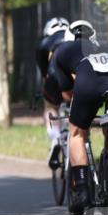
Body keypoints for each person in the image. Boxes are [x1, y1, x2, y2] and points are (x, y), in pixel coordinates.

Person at [47, 20, 108, 215]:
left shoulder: (62, 50)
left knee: (77, 134)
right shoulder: (106, 45)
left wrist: (83, 108)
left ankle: (83, 191)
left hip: (89, 81)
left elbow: (67, 95)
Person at [36, 17, 71, 156]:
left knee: (51, 106)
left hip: (53, 75)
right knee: (74, 106)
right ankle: (72, 138)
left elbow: (44, 73)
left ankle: (55, 135)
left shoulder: (44, 43)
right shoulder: (74, 39)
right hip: (74, 76)